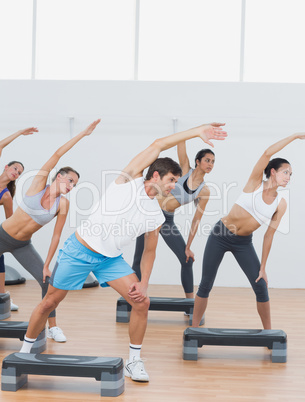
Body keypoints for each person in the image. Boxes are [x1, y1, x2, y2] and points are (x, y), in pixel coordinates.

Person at [19, 122, 227, 382]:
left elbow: (150, 252)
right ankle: (24, 353)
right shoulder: (126, 181)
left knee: (142, 302)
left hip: (110, 259)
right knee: (50, 302)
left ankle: (134, 361)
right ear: (155, 176)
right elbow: (158, 144)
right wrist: (196, 131)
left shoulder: (156, 214)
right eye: (172, 180)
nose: (175, 185)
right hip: (80, 250)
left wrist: (144, 283)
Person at [0, 119, 100, 342]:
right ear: (60, 176)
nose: (72, 186)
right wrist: (83, 134)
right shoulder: (38, 184)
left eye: (75, 185)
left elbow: (56, 235)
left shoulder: (62, 204)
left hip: (22, 245)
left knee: (48, 282)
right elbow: (57, 154)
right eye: (71, 180)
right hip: (1, 236)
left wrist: (46, 264)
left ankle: (53, 326)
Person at [192, 132, 305, 329]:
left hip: (243, 243)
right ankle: (192, 330)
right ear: (272, 171)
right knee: (206, 284)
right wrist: (294, 137)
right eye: (286, 172)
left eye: (291, 174)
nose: (289, 177)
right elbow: (268, 152)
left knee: (261, 286)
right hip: (220, 235)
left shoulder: (281, 203)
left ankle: (269, 333)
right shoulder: (254, 182)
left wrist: (263, 267)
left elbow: (269, 236)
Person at [132, 138, 220, 298]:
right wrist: (192, 132)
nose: (210, 164)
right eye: (207, 160)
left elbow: (196, 220)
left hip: (166, 220)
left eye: (213, 162)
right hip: (149, 214)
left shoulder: (204, 191)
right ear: (198, 161)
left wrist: (188, 246)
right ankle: (132, 299)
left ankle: (190, 304)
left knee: (186, 260)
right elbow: (181, 144)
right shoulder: (185, 169)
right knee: (139, 259)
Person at [0, 127, 38, 310]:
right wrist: (20, 133)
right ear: (6, 167)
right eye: (15, 168)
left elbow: (10, 222)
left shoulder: (6, 196)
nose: (16, 172)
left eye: (20, 172)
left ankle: (3, 296)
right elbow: (1, 145)